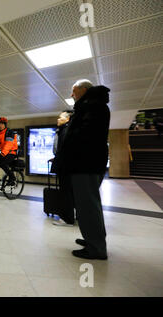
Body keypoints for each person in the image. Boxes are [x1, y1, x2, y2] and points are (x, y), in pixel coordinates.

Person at [58, 79, 110, 260]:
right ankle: (93, 240)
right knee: (87, 205)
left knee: (87, 206)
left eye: (74, 91)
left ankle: (96, 248)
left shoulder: (93, 107)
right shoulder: (92, 106)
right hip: (86, 163)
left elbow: (85, 136)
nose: (72, 95)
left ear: (84, 90)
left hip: (85, 164)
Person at [50, 110, 75, 227]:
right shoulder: (63, 130)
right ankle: (68, 216)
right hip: (66, 165)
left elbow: (63, 150)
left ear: (68, 119)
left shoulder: (65, 131)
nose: (58, 119)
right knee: (67, 191)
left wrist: (58, 159)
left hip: (65, 166)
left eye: (61, 118)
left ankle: (67, 218)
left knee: (66, 192)